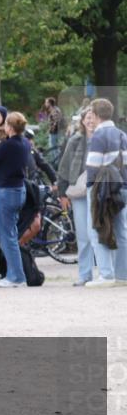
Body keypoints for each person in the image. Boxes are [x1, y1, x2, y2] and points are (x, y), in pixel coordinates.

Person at [0, 111, 32, 287]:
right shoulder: (24, 142)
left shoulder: (8, 145)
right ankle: (15, 274)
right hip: (19, 190)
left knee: (6, 236)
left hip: (6, 192)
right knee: (11, 234)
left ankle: (16, 277)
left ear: (9, 127)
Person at [84, 98, 127, 288]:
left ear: (95, 114)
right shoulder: (121, 134)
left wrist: (89, 187)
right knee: (121, 230)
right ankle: (123, 275)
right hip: (120, 187)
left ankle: (106, 274)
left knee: (97, 227)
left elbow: (93, 166)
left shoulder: (99, 136)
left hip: (100, 189)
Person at [57, 108, 97, 286]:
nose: (90, 121)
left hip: (100, 190)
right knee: (83, 234)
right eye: (87, 118)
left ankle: (105, 273)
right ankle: (85, 274)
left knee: (98, 232)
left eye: (93, 117)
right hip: (79, 191)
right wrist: (62, 192)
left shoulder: (103, 139)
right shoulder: (74, 140)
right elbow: (64, 167)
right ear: (82, 121)